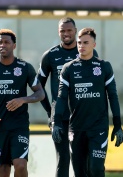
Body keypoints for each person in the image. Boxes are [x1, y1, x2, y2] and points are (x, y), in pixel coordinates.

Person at [52, 28, 123, 177]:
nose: (81, 46)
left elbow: (113, 96)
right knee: (80, 172)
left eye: (85, 42)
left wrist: (117, 125)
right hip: (76, 129)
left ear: (94, 44)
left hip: (98, 128)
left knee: (96, 169)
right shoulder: (68, 69)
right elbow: (61, 98)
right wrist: (57, 122)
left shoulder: (104, 67)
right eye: (79, 42)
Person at [0, 29, 45, 177]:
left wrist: (23, 99)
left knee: (20, 165)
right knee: (3, 170)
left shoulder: (25, 67)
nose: (3, 45)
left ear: (14, 46)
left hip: (19, 126)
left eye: (7, 42)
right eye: (0, 42)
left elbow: (40, 93)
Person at [37, 17, 98, 177]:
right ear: (59, 32)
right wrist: (50, 111)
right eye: (62, 31)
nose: (66, 34)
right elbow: (38, 87)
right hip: (60, 118)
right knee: (63, 159)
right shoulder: (50, 55)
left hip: (82, 117)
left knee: (84, 162)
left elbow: (96, 85)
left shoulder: (88, 52)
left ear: (76, 31)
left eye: (69, 30)